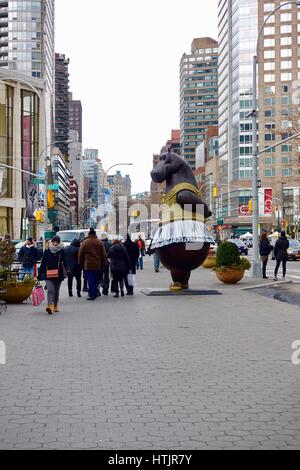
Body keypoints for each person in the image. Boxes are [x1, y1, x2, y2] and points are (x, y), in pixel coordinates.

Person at [38, 236, 68, 315]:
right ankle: (49, 306)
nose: (55, 243)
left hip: (58, 274)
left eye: (57, 242)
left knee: (56, 291)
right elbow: (43, 263)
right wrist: (39, 274)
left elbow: (65, 261)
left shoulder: (61, 251)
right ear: (52, 242)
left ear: (59, 242)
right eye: (54, 242)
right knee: (50, 289)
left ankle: (55, 305)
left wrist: (68, 269)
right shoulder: (47, 251)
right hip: (48, 273)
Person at [78, 228, 107, 301]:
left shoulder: (85, 242)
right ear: (95, 234)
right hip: (97, 264)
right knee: (96, 279)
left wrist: (80, 263)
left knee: (90, 279)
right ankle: (96, 292)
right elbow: (103, 254)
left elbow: (80, 254)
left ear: (89, 234)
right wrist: (104, 263)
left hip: (88, 264)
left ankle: (91, 294)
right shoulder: (99, 242)